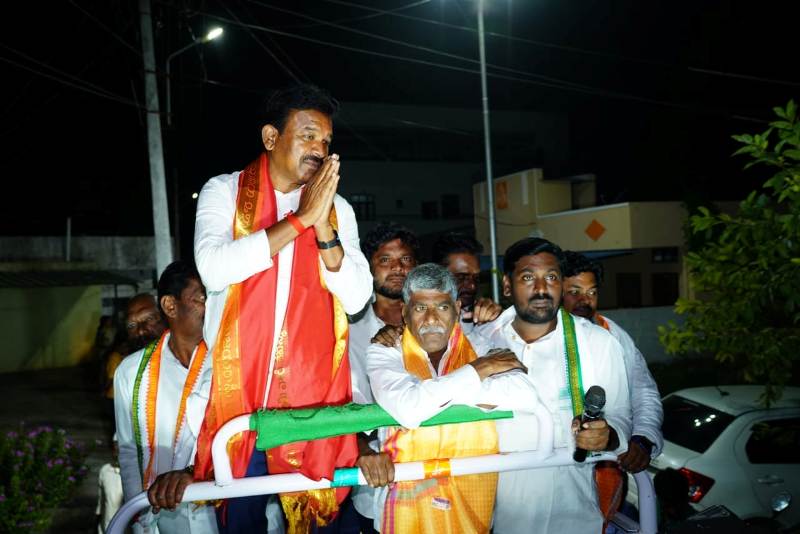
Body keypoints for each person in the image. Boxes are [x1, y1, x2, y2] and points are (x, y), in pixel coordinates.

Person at [193, 83, 372, 533]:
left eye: (327, 142)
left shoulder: (339, 209)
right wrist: (298, 221)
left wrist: (324, 227)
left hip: (314, 398)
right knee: (242, 520)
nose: (320, 148)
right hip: (241, 397)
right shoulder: (224, 192)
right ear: (271, 138)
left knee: (316, 521)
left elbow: (355, 298)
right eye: (309, 135)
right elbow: (214, 269)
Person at [363, 263, 540, 533]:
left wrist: (432, 394)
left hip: (473, 502)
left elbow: (524, 393)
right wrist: (480, 371)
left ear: (457, 309)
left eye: (442, 308)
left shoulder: (481, 344)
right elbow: (409, 409)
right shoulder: (384, 351)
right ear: (405, 311)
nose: (432, 319)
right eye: (421, 308)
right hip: (405, 508)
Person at [474, 238, 632, 533]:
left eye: (551, 277)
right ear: (507, 286)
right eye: (528, 278)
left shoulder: (597, 343)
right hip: (496, 516)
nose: (541, 289)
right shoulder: (478, 344)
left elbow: (621, 415)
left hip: (574, 514)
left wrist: (606, 436)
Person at [114, 261, 216, 533]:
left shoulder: (231, 357)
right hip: (169, 518)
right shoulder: (131, 372)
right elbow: (129, 451)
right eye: (203, 298)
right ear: (171, 306)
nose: (213, 306)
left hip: (227, 510)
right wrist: (139, 518)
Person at [561, 250, 663, 472]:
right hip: (557, 469)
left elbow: (644, 392)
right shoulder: (541, 338)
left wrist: (642, 438)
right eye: (574, 292)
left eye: (592, 292)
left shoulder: (614, 335)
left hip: (609, 469)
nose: (584, 301)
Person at [347, 222, 419, 532]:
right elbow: (344, 402)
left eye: (405, 260)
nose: (397, 269)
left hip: (437, 472)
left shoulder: (437, 321)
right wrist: (363, 450)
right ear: (368, 267)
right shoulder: (347, 331)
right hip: (375, 479)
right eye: (385, 260)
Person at [431, 232, 502, 332]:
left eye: (476, 278)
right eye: (461, 277)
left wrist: (499, 321)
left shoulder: (480, 318)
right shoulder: (417, 320)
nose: (472, 286)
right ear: (437, 276)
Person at [96, 434, 123, 534]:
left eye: (119, 446)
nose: (116, 449)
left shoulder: (135, 474)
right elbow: (101, 503)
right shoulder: (105, 470)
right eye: (114, 445)